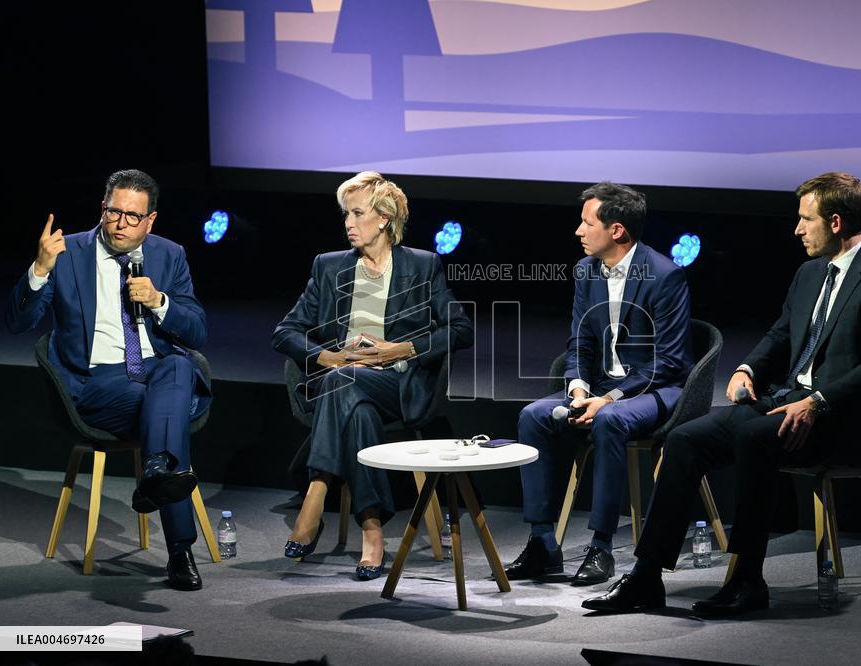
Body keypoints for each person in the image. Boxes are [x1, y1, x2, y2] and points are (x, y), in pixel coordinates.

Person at [583, 172, 861, 616]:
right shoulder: (810, 272)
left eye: (806, 219)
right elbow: (780, 334)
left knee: (754, 438)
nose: (797, 229)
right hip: (787, 402)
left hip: (841, 419)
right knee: (685, 440)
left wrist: (817, 402)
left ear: (835, 222)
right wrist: (746, 368)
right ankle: (646, 577)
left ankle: (746, 580)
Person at [6, 169, 211, 591]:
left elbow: (196, 332)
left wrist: (159, 301)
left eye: (133, 217)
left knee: (177, 366)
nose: (121, 224)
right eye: (114, 212)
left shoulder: (169, 254)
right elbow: (17, 322)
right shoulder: (68, 252)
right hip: (98, 383)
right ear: (102, 209)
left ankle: (156, 470)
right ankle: (179, 549)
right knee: (166, 410)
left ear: (150, 220)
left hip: (158, 374)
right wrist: (40, 268)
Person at [272, 171, 473, 580]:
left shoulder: (422, 265)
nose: (348, 223)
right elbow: (285, 332)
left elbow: (460, 329)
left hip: (398, 383)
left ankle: (317, 490)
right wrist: (328, 357)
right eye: (345, 214)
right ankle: (372, 528)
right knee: (351, 398)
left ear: (383, 218)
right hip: (344, 384)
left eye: (357, 213)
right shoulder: (328, 267)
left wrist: (400, 349)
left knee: (345, 385)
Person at [504, 182, 694, 586]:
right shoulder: (585, 270)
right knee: (532, 416)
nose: (578, 230)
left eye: (587, 222)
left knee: (611, 421)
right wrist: (577, 390)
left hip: (655, 390)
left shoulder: (665, 276)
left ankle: (601, 546)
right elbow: (579, 343)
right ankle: (542, 543)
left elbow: (669, 362)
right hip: (602, 386)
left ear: (617, 231)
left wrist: (608, 398)